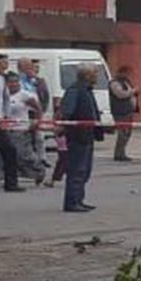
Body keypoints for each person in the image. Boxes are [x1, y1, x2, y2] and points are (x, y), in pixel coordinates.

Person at [59, 64, 103, 213]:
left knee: (84, 170)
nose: (97, 76)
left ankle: (79, 199)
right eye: (95, 74)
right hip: (77, 135)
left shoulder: (86, 90)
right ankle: (72, 202)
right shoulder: (75, 90)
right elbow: (67, 112)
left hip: (87, 135)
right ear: (87, 76)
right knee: (76, 170)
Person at [0, 54, 21, 193]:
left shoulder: (1, 79)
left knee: (9, 150)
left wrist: (6, 116)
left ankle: (11, 183)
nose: (2, 66)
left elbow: (6, 99)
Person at [107, 65, 140, 162]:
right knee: (122, 133)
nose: (129, 75)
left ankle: (122, 152)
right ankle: (118, 154)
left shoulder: (126, 82)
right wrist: (133, 91)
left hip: (128, 111)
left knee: (127, 133)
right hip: (120, 111)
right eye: (127, 73)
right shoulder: (114, 83)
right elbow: (121, 94)